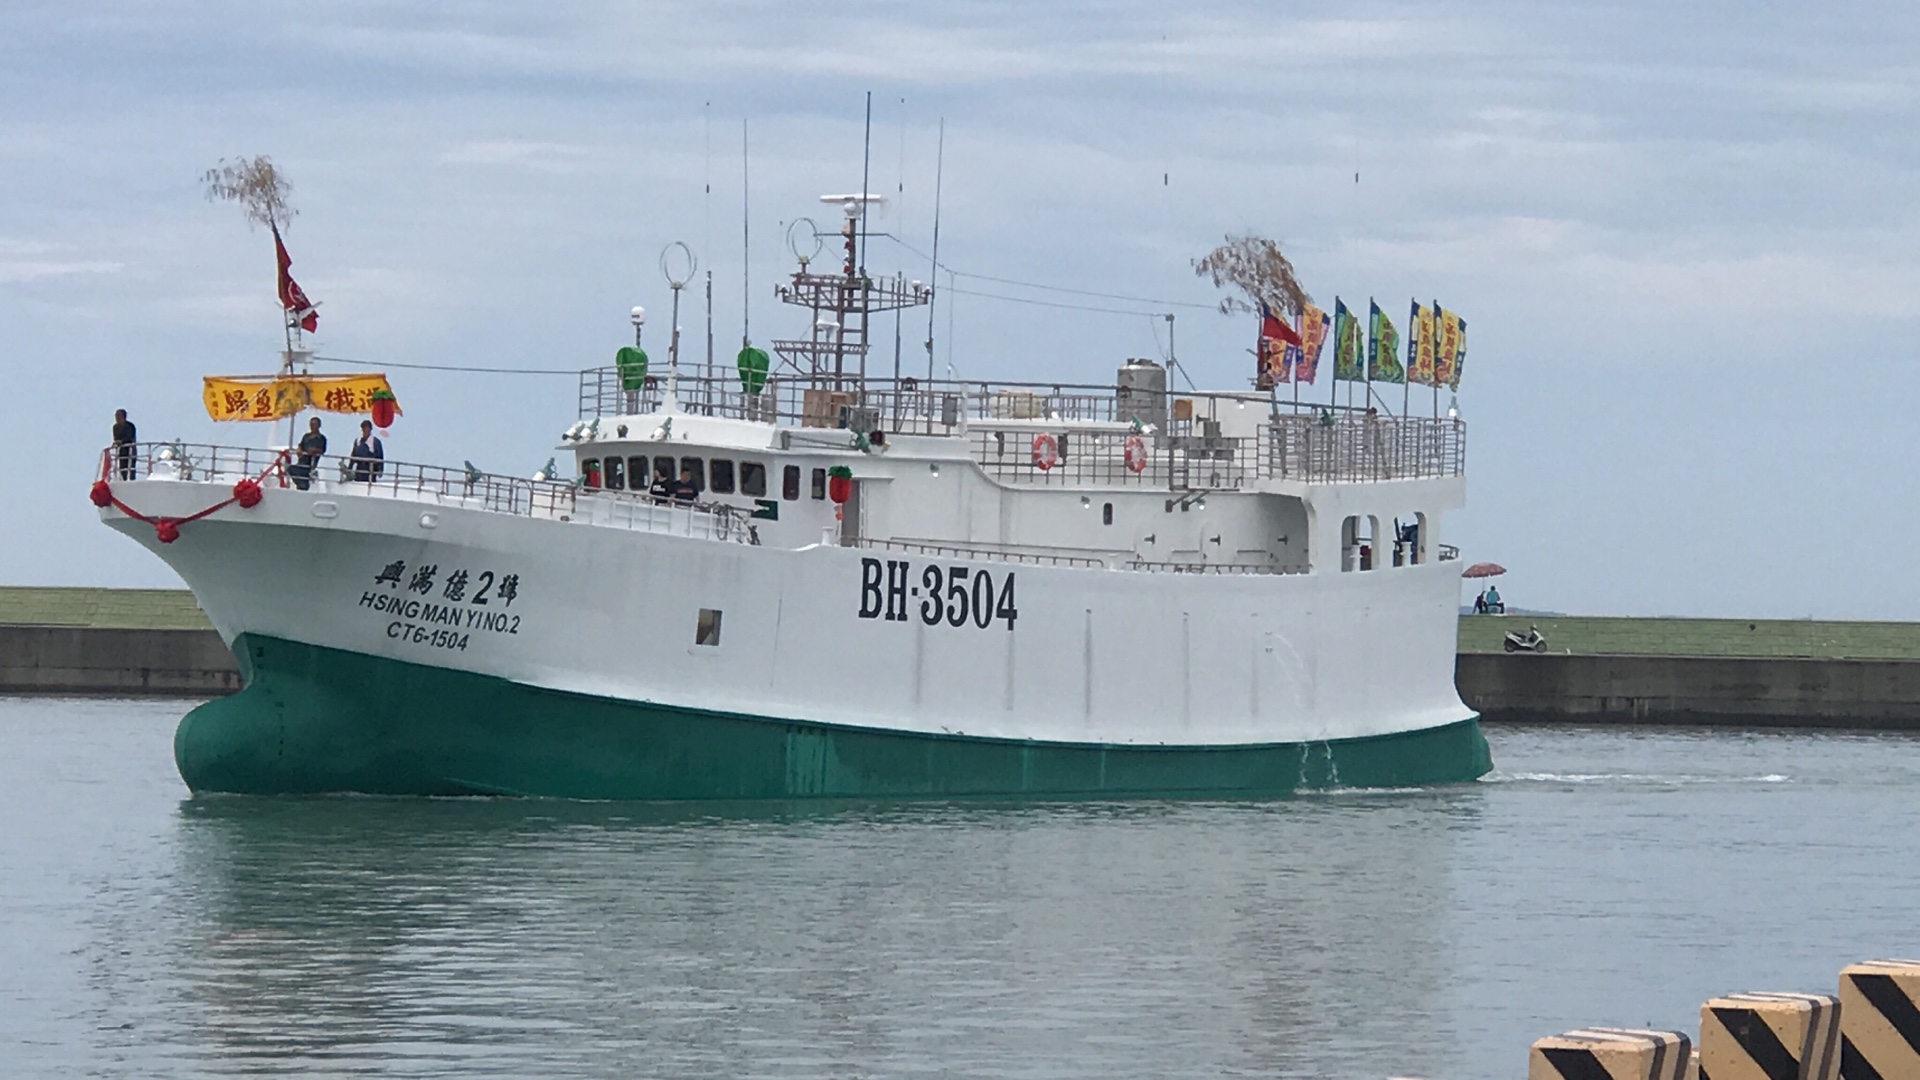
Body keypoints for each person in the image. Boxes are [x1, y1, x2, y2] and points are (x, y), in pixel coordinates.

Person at [291, 417, 326, 490]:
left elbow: (322, 450)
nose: (312, 426)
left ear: (319, 425)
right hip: (301, 461)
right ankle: (302, 485)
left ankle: (303, 485)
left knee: (300, 472)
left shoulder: (321, 438)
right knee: (290, 468)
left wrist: (314, 450)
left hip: (310, 463)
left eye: (314, 424)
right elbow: (301, 445)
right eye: (311, 424)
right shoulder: (306, 436)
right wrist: (299, 449)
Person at [111, 409, 137, 480]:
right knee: (122, 467)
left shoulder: (130, 426)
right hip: (122, 450)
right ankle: (123, 479)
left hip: (130, 449)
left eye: (119, 416)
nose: (117, 418)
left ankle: (132, 480)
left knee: (131, 467)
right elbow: (115, 438)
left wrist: (121, 441)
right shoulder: (115, 427)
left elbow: (130, 437)